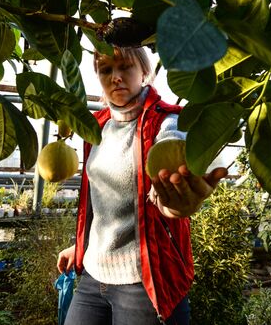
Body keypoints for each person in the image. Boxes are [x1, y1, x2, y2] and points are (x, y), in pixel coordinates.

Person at [56, 46, 227, 325]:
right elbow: (96, 202)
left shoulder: (167, 121)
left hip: (143, 281)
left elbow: (171, 150)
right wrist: (81, 246)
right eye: (106, 70)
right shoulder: (95, 128)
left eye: (125, 67)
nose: (116, 77)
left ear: (144, 71)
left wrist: (175, 203)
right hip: (92, 275)